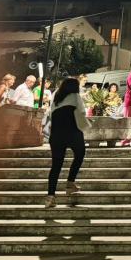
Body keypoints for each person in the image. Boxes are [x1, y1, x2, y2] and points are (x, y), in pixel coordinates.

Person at [45, 78, 88, 208]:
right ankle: (70, 183)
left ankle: (50, 197)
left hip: (57, 134)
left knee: (56, 166)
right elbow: (82, 112)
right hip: (72, 132)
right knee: (80, 154)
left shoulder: (56, 97)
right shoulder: (75, 96)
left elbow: (51, 114)